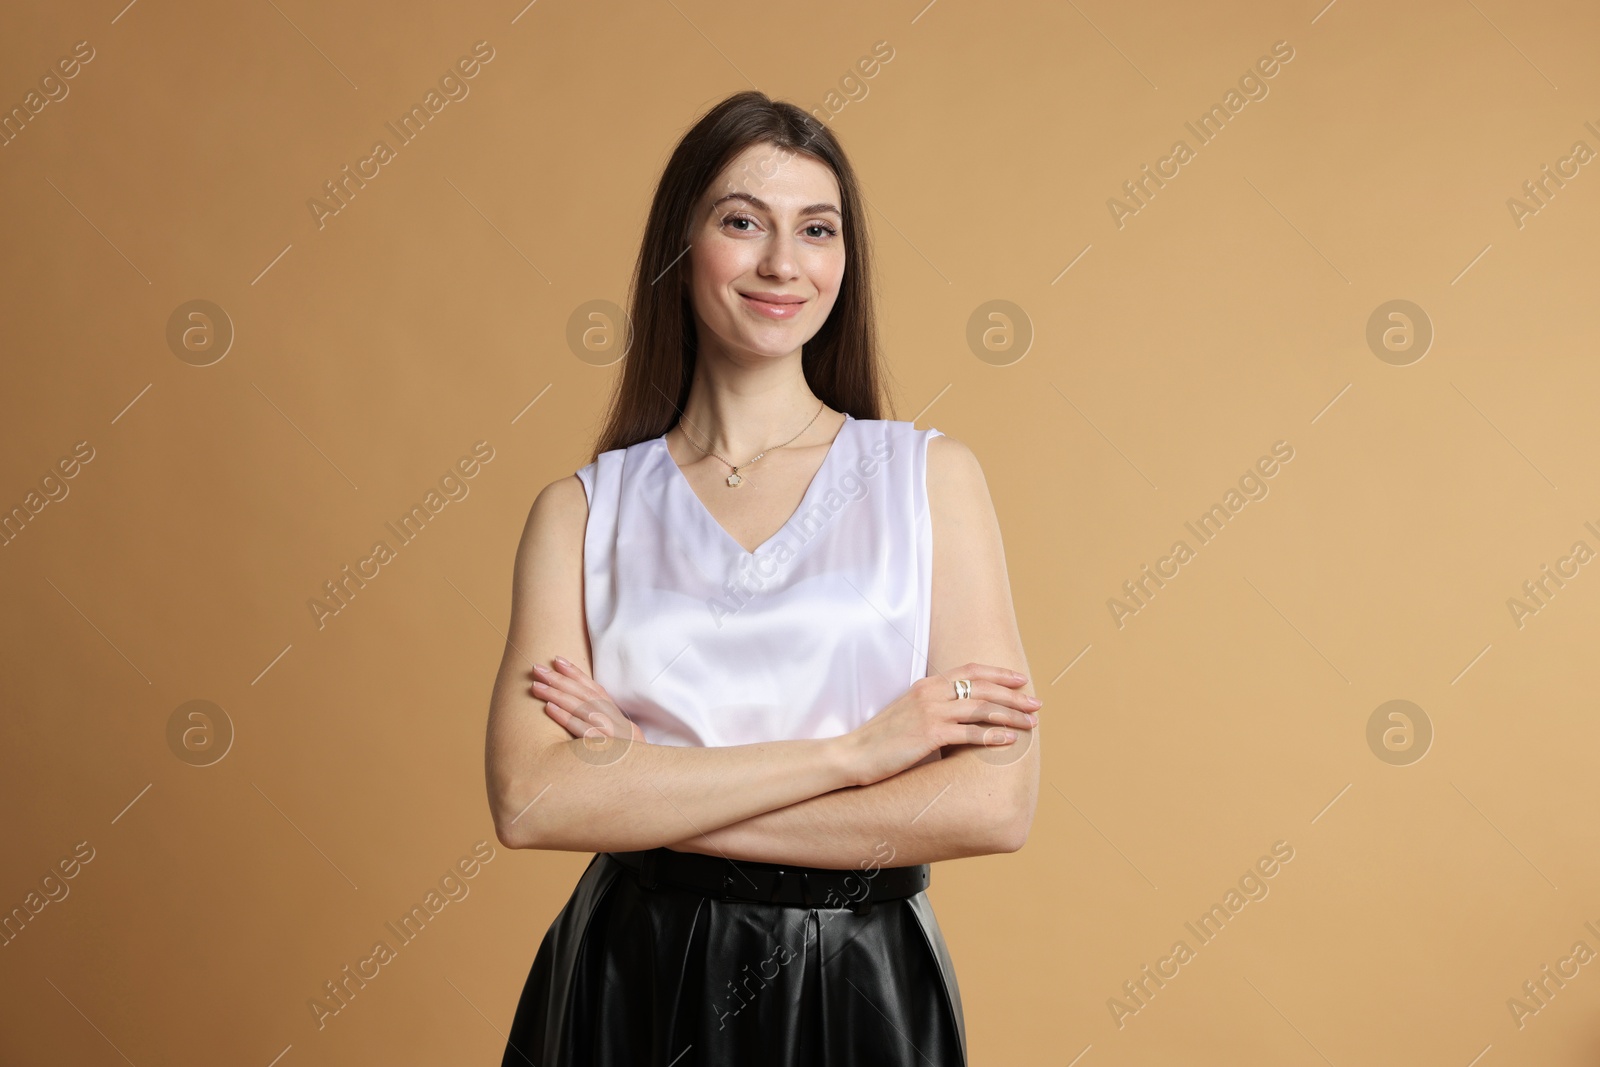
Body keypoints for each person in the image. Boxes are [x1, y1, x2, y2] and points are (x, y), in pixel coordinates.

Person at [484, 89, 1041, 1067]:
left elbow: (992, 804)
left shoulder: (928, 477)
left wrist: (649, 784)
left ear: (844, 258)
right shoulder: (581, 511)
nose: (783, 262)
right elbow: (532, 801)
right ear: (680, 244)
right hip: (631, 974)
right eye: (742, 221)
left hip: (861, 973)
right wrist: (859, 753)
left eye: (816, 229)